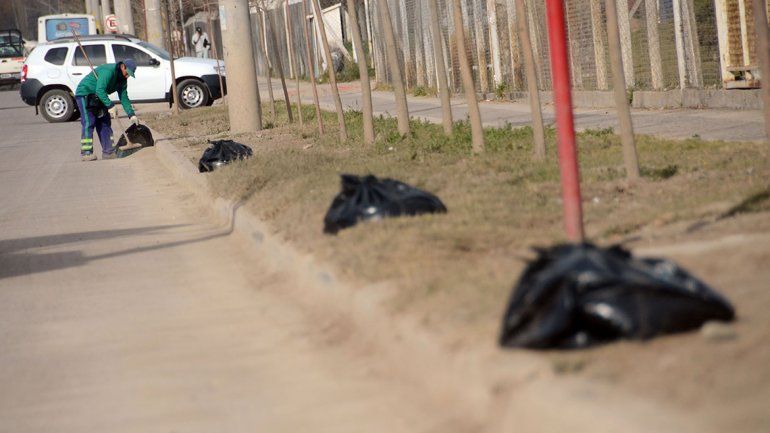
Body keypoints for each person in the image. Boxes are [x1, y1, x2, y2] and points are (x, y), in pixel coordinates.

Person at [74, 59, 139, 161]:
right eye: (127, 73)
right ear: (122, 66)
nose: (127, 76)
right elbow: (100, 89)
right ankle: (86, 153)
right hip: (85, 93)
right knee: (89, 122)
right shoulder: (108, 71)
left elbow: (124, 97)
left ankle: (109, 152)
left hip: (100, 96)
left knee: (105, 123)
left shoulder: (122, 80)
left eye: (130, 75)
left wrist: (131, 114)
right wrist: (110, 105)